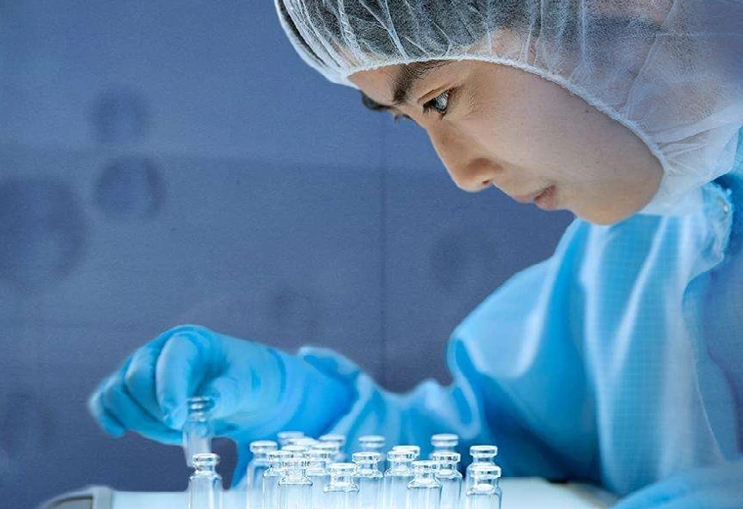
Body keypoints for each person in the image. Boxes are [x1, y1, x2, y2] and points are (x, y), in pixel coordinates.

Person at [89, 1, 743, 506]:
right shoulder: (638, 252)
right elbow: (483, 461)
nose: (462, 173)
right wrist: (302, 414)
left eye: (440, 97)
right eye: (414, 120)